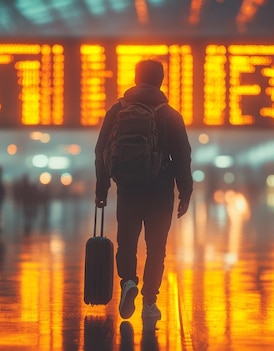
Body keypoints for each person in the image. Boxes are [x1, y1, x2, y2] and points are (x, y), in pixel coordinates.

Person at [94, 59, 193, 321]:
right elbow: (183, 155)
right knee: (156, 247)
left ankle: (128, 282)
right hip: (160, 190)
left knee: (126, 242)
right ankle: (150, 302)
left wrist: (102, 189)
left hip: (127, 188)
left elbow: (101, 150)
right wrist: (186, 192)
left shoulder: (117, 111)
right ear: (160, 80)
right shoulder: (170, 114)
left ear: (136, 79)